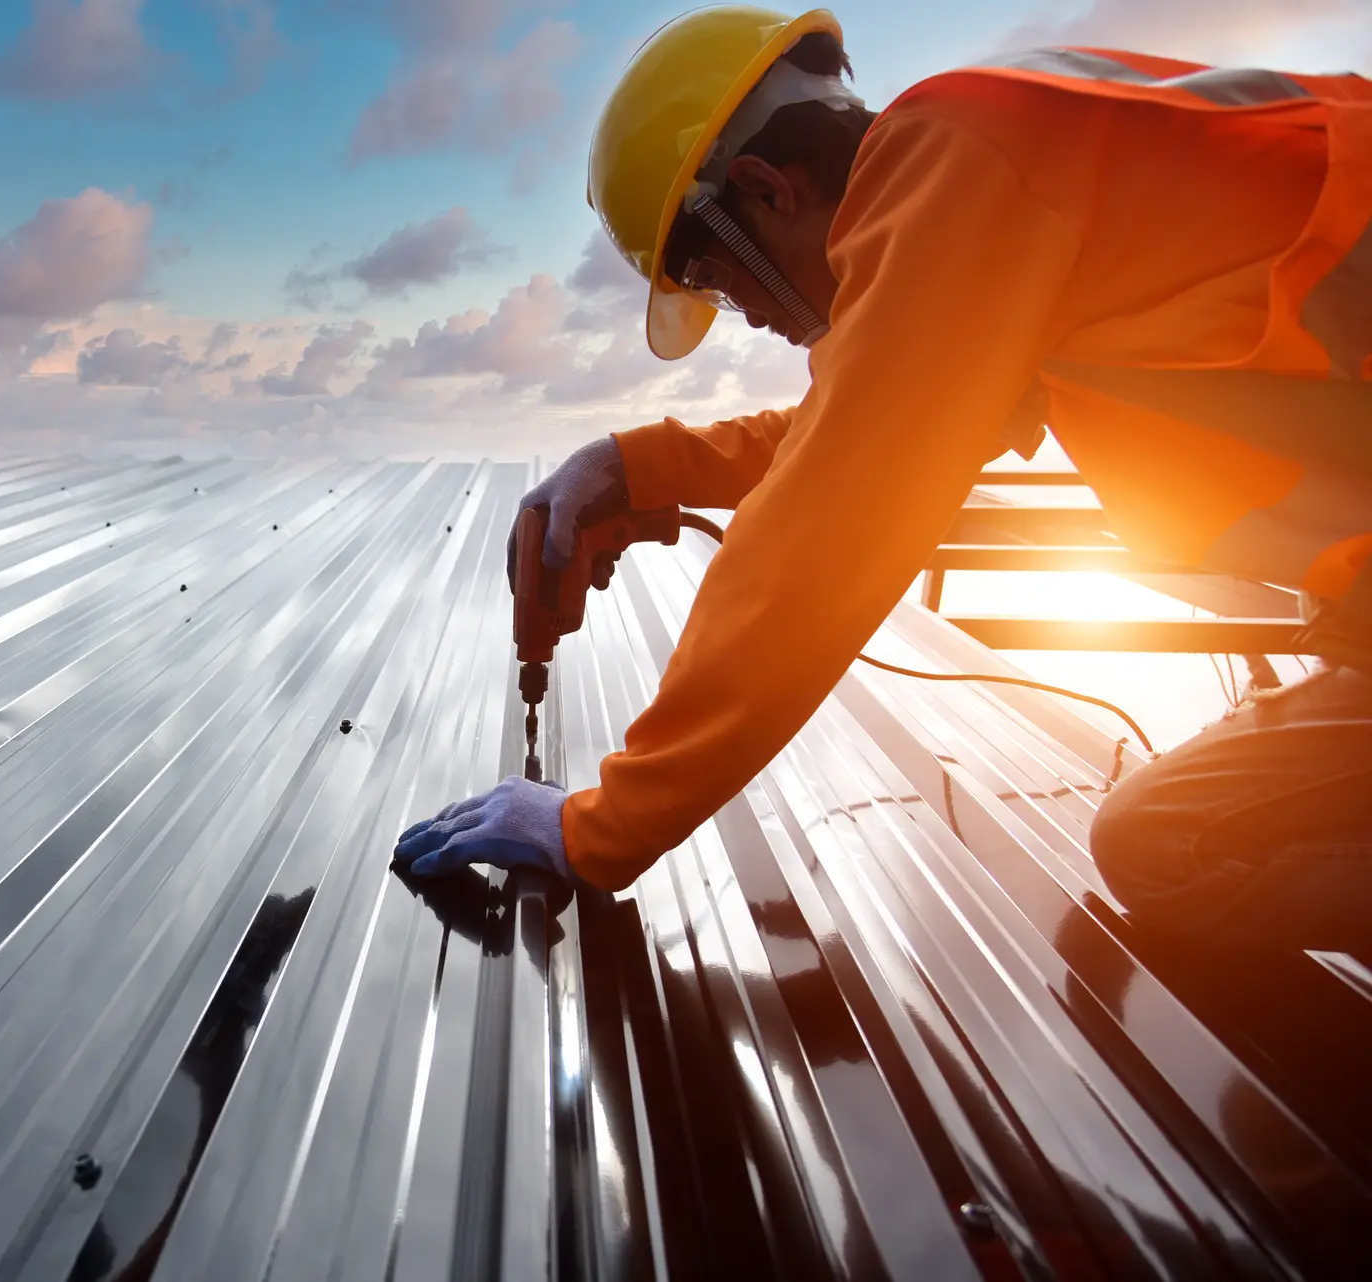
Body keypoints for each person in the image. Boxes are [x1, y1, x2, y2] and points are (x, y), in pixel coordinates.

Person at [393, 6, 1372, 950]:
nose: (749, 319)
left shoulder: (949, 163)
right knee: (1163, 835)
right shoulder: (998, 188)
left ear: (765, 188)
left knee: (1173, 845)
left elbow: (831, 524)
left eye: (724, 286)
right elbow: (865, 420)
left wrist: (597, 826)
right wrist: (639, 464)